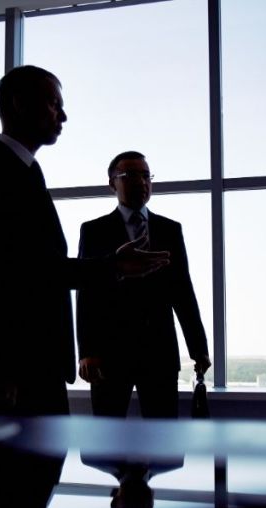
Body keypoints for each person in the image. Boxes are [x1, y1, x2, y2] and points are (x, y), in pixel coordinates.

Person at [0, 66, 169, 416]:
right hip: (13, 368)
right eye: (54, 104)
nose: (62, 116)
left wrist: (114, 266)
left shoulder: (27, 172)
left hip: (38, 360)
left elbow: (38, 269)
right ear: (19, 104)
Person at [76, 151, 210, 418]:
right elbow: (86, 293)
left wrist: (199, 348)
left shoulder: (170, 229)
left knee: (163, 435)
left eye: (146, 175)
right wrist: (87, 352)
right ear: (112, 183)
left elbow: (183, 291)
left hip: (159, 351)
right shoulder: (93, 230)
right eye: (130, 175)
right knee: (107, 435)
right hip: (109, 353)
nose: (141, 182)